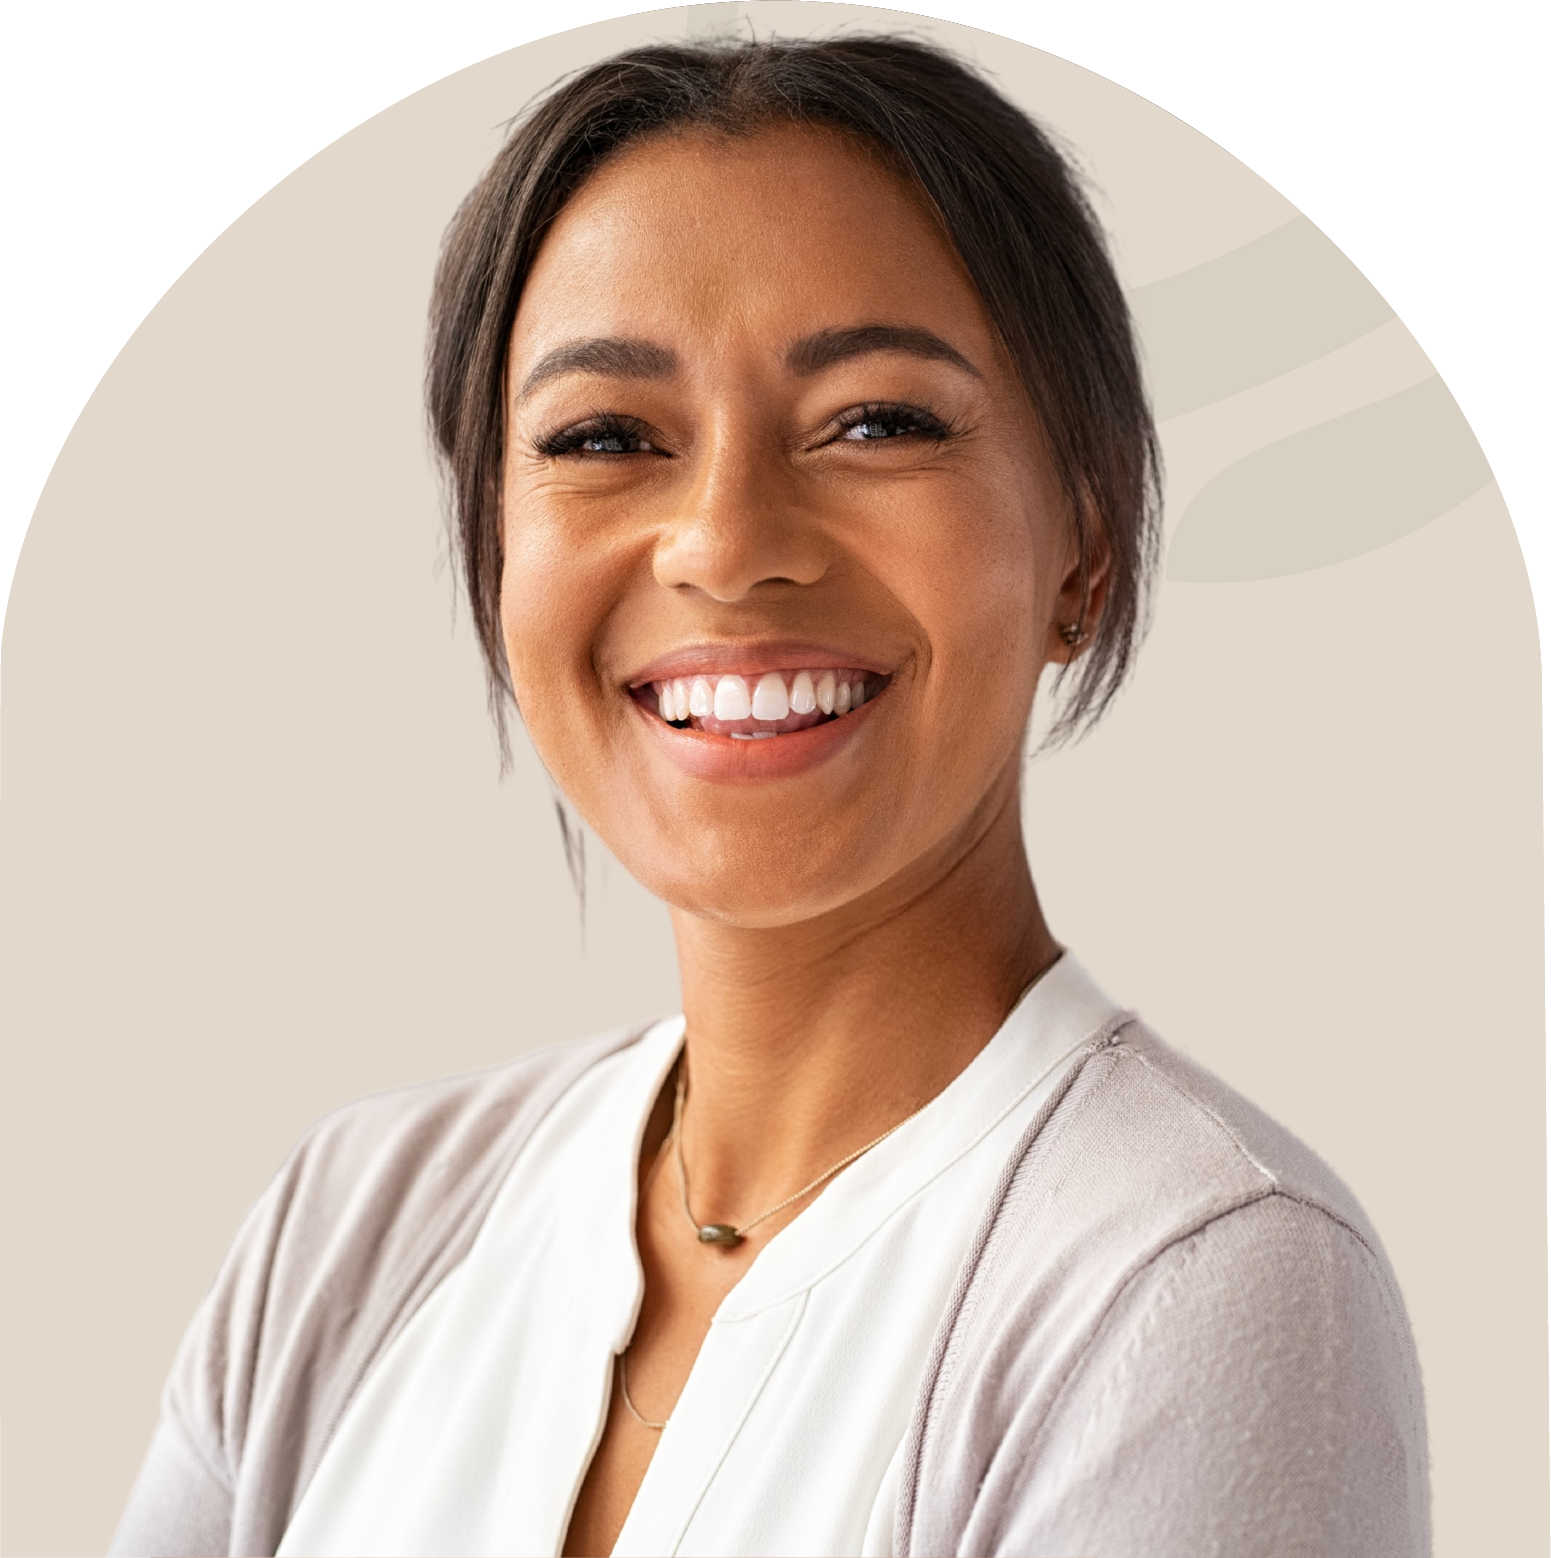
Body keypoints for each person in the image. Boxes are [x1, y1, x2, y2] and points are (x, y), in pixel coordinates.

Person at [110, 35, 1429, 1558]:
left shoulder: (1193, 1282)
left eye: (877, 420)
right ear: (494, 560)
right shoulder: (346, 1230)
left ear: (1082, 546)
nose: (726, 543)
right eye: (606, 437)